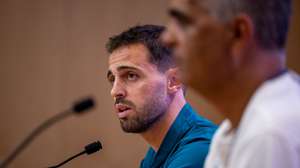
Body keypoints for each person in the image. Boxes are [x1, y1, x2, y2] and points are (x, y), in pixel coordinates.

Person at [162, 0, 300, 167]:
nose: (166, 38)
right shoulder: (233, 130)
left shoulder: (269, 134)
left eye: (184, 22)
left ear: (237, 33)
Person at [106, 25, 217, 168]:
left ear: (173, 81)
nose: (115, 91)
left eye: (131, 75)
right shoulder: (156, 153)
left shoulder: (199, 151)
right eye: (112, 79)